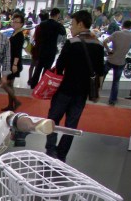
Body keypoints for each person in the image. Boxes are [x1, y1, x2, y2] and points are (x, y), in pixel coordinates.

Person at [44, 10, 104, 162]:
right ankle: (62, 154)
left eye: (72, 24)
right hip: (82, 93)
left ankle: (51, 150)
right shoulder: (98, 45)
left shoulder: (72, 43)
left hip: (65, 89)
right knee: (71, 125)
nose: (71, 27)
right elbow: (100, 71)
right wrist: (97, 91)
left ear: (80, 24)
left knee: (53, 119)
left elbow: (59, 65)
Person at [29, 8, 66, 88]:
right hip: (51, 50)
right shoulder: (57, 25)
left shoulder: (43, 24)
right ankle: (42, 85)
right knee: (46, 69)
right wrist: (61, 24)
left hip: (42, 48)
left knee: (38, 68)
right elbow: (63, 32)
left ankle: (33, 84)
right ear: (57, 15)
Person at [103, 20, 131, 105]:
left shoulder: (116, 33)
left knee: (101, 76)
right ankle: (112, 100)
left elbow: (104, 42)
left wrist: (109, 50)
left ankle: (94, 93)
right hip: (121, 61)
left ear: (122, 26)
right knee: (116, 82)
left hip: (111, 59)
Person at [1, 13, 25, 111]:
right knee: (9, 84)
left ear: (21, 24)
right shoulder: (14, 33)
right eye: (13, 22)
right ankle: (11, 105)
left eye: (17, 22)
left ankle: (15, 101)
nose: (14, 24)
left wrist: (15, 64)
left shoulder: (20, 35)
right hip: (10, 61)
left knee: (5, 84)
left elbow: (18, 52)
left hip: (14, 63)